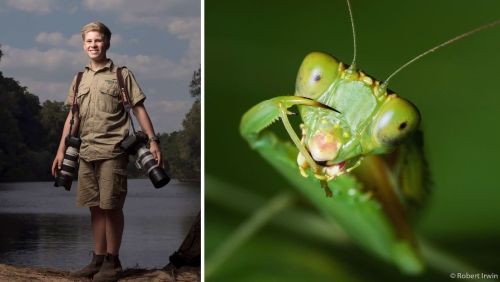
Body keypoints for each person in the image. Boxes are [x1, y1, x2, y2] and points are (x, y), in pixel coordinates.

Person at [51, 21, 161, 281]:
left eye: (97, 40)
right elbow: (72, 118)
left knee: (111, 206)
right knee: (95, 207)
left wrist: (154, 141)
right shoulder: (79, 79)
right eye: (88, 41)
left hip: (113, 150)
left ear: (107, 43)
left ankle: (113, 261)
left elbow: (139, 109)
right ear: (83, 46)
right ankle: (97, 259)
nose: (93, 45)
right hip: (85, 152)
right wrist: (60, 151)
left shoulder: (122, 75)